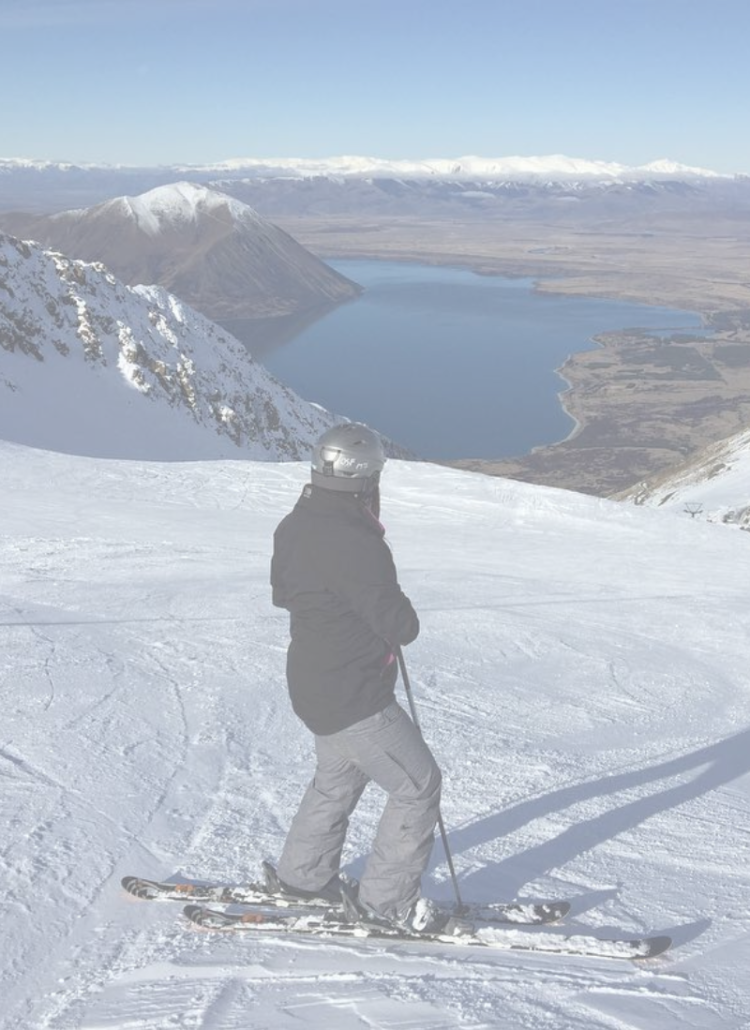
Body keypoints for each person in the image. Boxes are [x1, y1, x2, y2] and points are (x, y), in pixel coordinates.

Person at [269, 422, 449, 933]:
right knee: (418, 785)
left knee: (337, 778)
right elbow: (401, 625)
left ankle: (302, 878)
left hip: (312, 686)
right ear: (365, 477)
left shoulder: (295, 523)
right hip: (354, 695)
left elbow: (283, 593)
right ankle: (386, 905)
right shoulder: (356, 541)